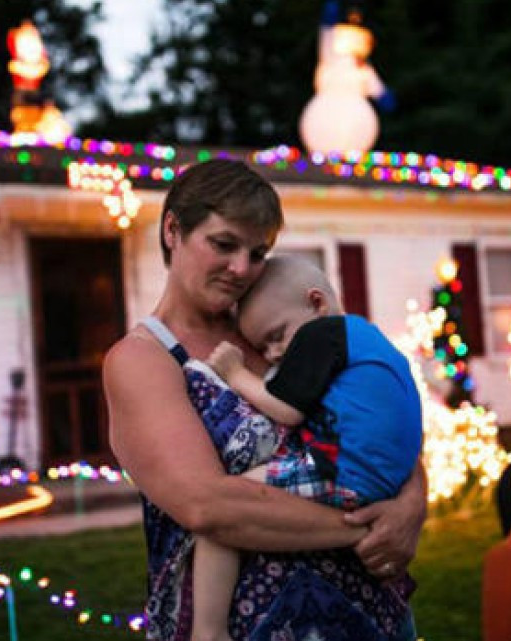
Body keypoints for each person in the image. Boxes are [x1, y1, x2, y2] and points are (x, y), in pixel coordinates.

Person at [103, 159, 427, 641]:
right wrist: (367, 529)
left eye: (257, 253)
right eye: (224, 244)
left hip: (369, 616)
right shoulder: (143, 360)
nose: (241, 269)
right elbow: (207, 507)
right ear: (173, 230)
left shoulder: (278, 329)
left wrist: (411, 504)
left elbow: (378, 416)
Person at [190, 255, 423, 641]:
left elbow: (287, 411)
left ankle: (207, 632)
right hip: (383, 481)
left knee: (227, 509)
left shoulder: (323, 333)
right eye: (262, 346)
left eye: (277, 335)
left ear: (317, 303)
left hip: (345, 474)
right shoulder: (366, 337)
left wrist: (236, 374)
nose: (274, 354)